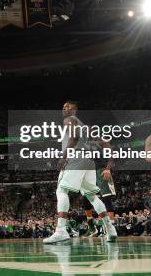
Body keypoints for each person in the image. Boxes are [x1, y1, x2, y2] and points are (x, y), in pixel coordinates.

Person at [43, 101, 118, 244]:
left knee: (61, 191)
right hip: (88, 162)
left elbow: (74, 138)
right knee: (92, 196)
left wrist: (63, 157)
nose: (65, 108)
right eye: (63, 107)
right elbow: (105, 144)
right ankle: (110, 228)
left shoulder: (69, 120)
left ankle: (61, 230)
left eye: (68, 107)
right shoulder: (84, 126)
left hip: (75, 158)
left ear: (75, 110)